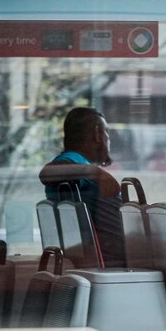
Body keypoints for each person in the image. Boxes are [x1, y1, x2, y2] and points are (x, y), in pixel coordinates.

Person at [39, 106, 126, 268]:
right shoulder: (73, 162)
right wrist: (94, 172)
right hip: (109, 263)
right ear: (97, 134)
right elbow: (47, 172)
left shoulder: (76, 167)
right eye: (107, 132)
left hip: (101, 260)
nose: (109, 139)